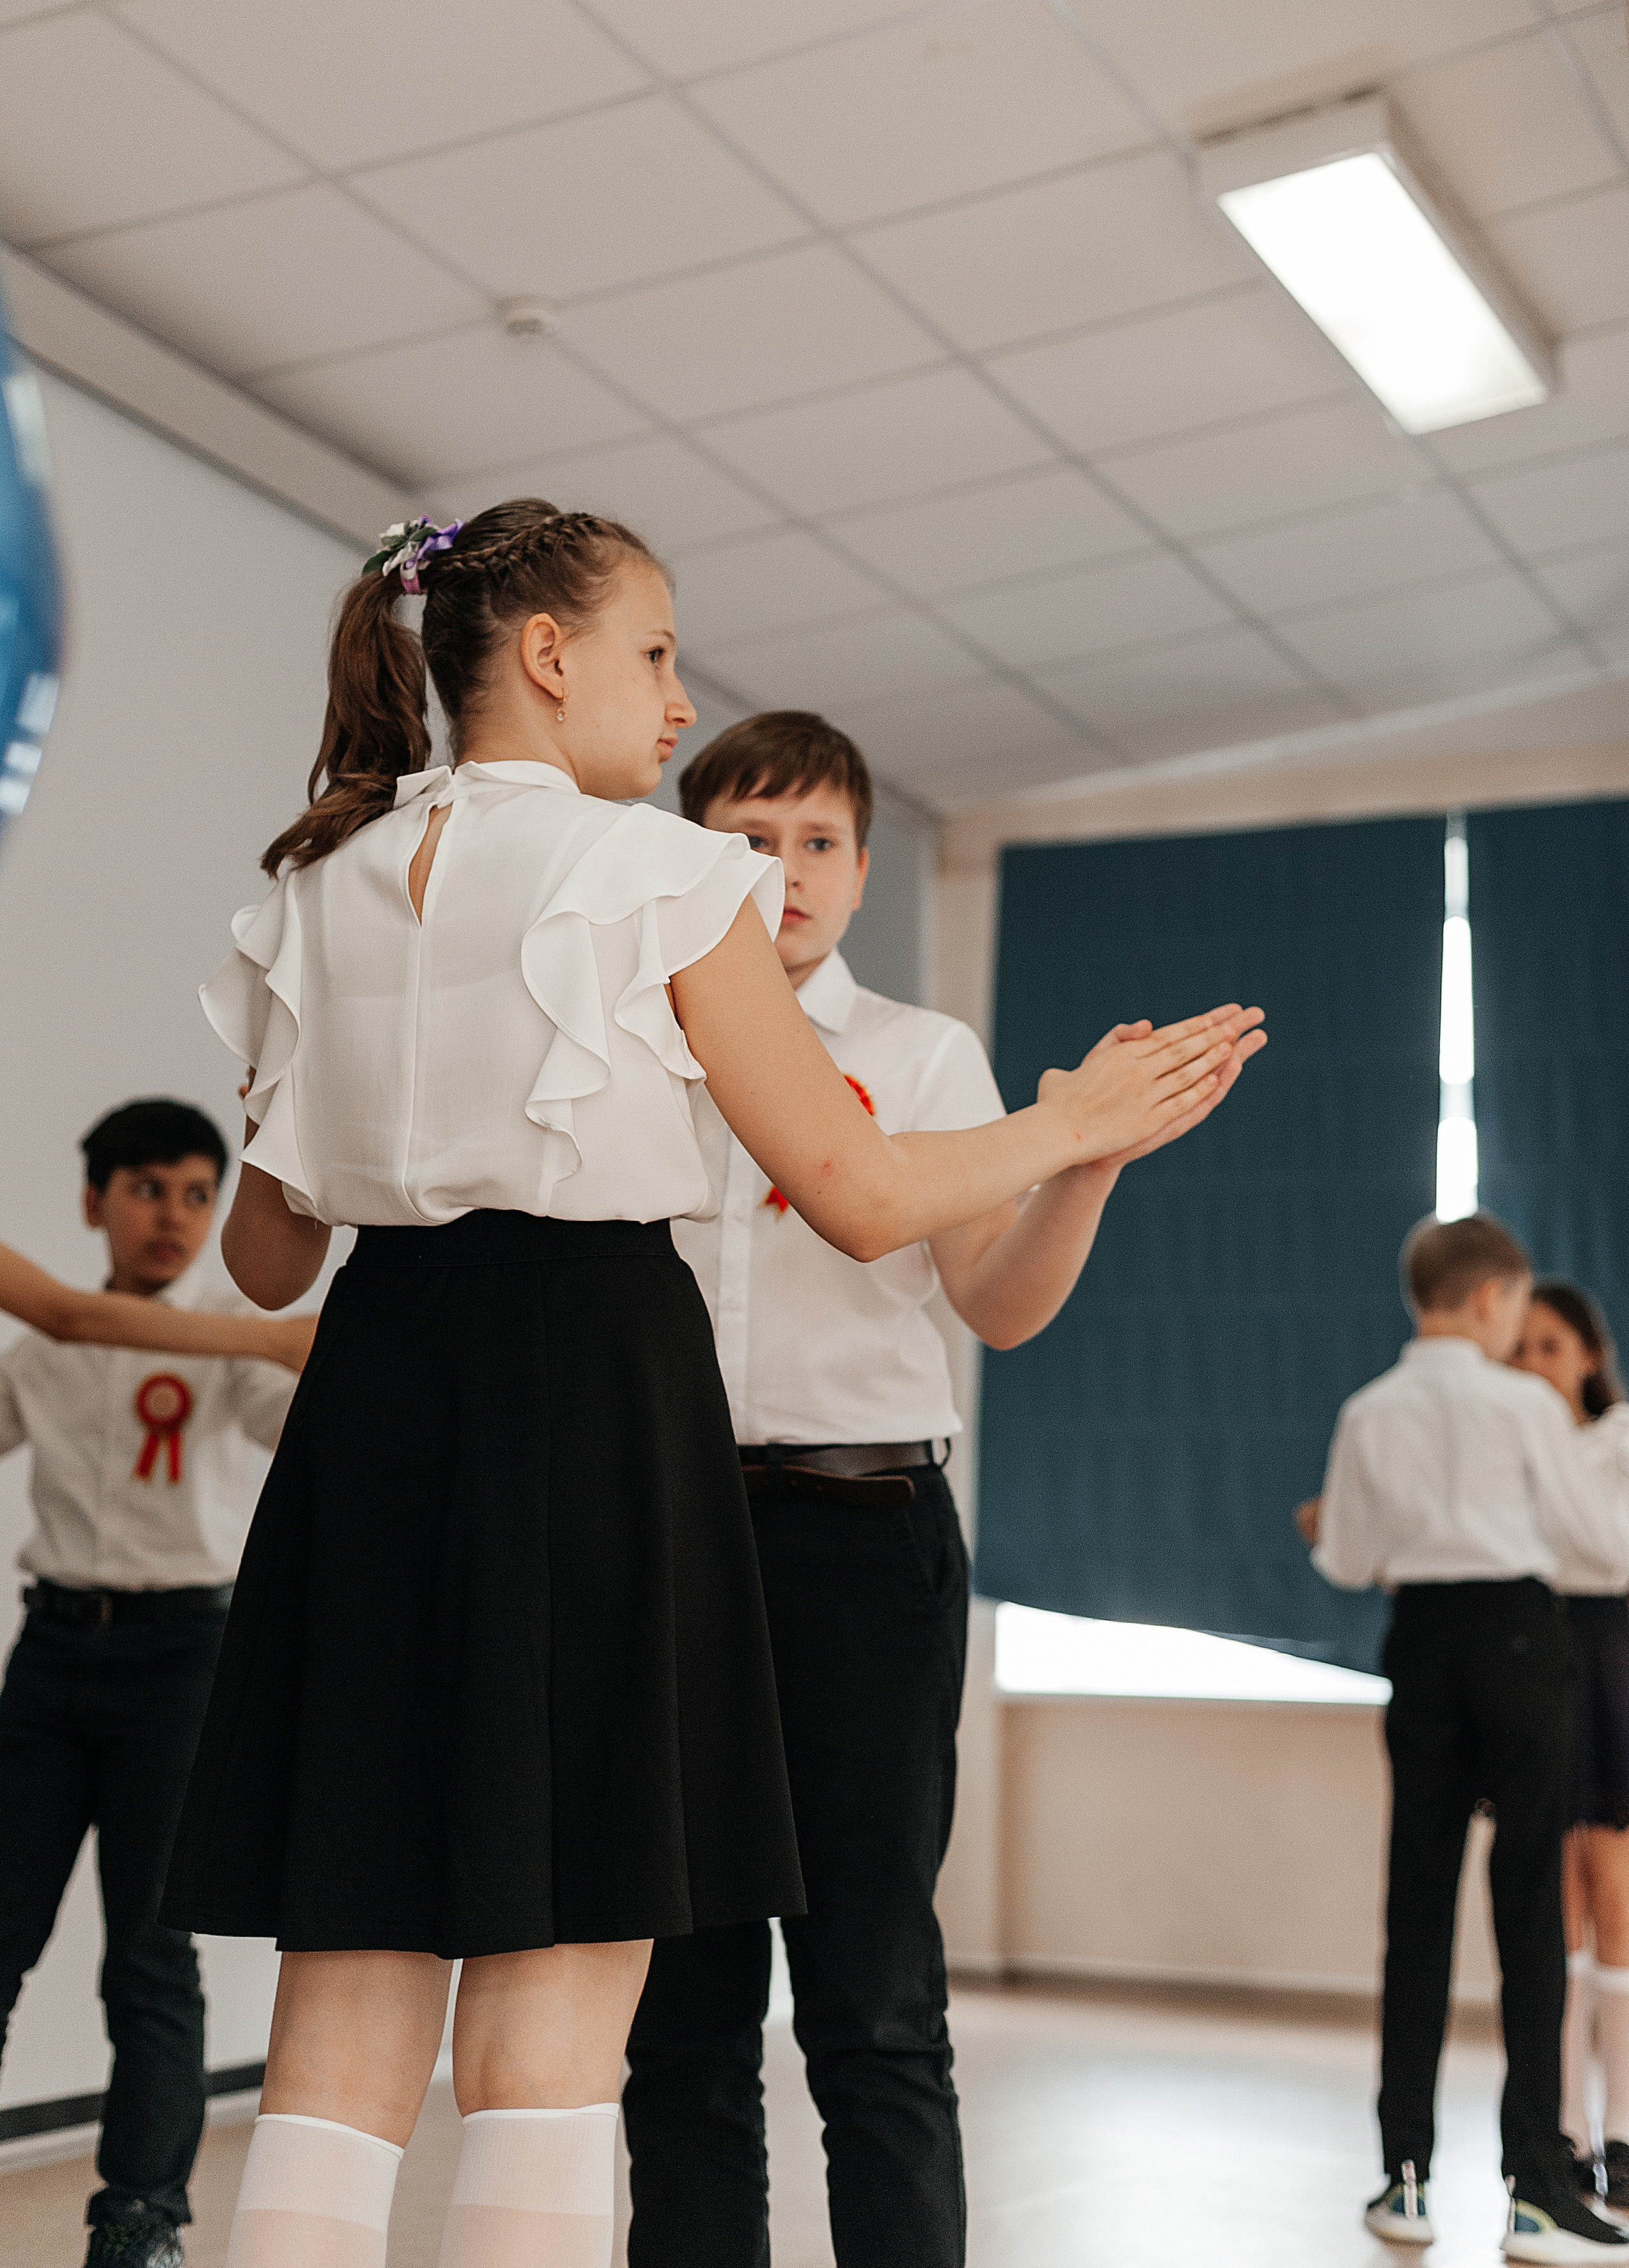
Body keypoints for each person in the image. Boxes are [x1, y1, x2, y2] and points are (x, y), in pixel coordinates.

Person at [157, 504, 1264, 2268]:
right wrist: (1075, 1122)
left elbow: (271, 1259)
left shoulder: (320, 878)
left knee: (344, 2014)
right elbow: (861, 1193)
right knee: (552, 2032)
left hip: (374, 1403)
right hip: (590, 1399)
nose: (678, 702)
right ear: (549, 655)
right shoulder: (658, 873)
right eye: (658, 652)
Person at [618, 710, 1261, 2268]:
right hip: (666, 1540)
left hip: (863, 1546)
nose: (783, 872)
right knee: (680, 2014)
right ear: (683, 857)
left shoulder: (920, 1056)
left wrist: (1082, 1158)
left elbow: (996, 1303)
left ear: (860, 868)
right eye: (745, 840)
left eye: (817, 842)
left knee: (873, 1996)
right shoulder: (631, 1046)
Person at [0, 1097, 314, 2268]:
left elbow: (293, 1426)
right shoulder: (46, 1348)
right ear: (94, 1203)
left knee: (148, 1956)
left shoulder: (231, 1338)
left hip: (182, 1663)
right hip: (50, 1659)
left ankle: (141, 2221)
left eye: (195, 1194)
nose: (172, 1218)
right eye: (145, 1191)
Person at [1303, 1212, 1629, 2265]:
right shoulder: (1524, 1405)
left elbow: (1347, 1561)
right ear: (1493, 1298)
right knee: (1529, 1905)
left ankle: (1404, 2180)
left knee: (1418, 1906)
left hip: (1424, 1646)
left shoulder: (1368, 1409)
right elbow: (1599, 1542)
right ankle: (1536, 2191)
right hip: (1523, 1640)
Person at [1513, 1282, 1629, 2208]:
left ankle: (1622, 2128)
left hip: (1615, 1656)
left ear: (1589, 1355)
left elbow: (1612, 1552)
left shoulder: (1619, 1438)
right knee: (1554, 1901)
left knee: (1615, 1888)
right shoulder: (1511, 1442)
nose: (1533, 1365)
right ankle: (1565, 2129)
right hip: (1542, 1655)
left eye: (1550, 1347)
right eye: (1519, 1349)